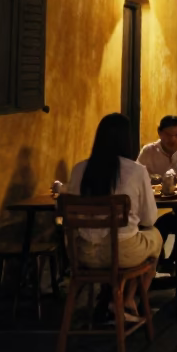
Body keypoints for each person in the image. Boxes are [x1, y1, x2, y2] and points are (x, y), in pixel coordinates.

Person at [65, 113, 162, 273]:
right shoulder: (136, 171)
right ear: (126, 140)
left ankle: (113, 293)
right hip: (124, 253)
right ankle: (129, 296)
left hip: (84, 254)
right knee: (155, 235)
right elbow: (149, 219)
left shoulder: (79, 169)